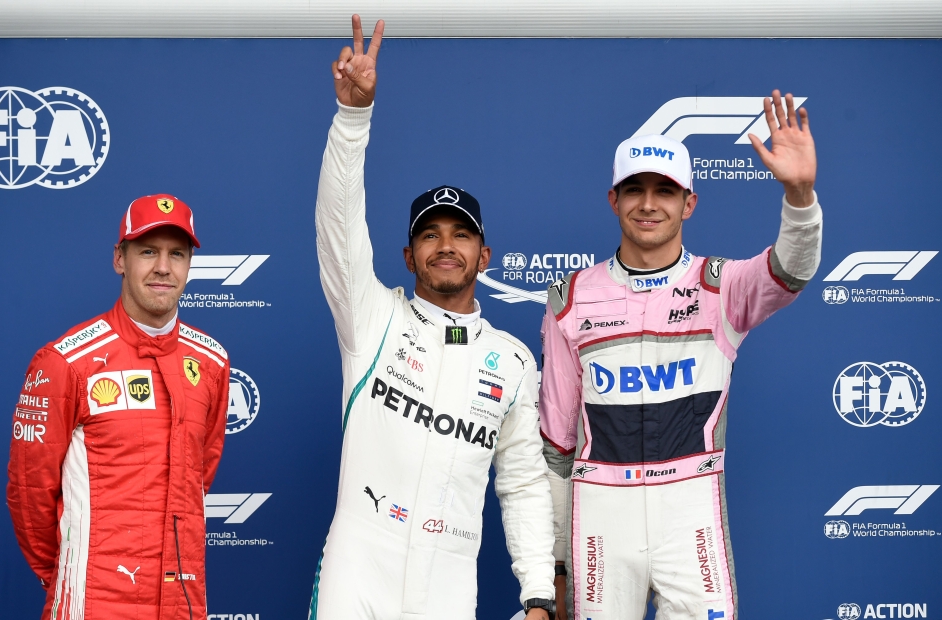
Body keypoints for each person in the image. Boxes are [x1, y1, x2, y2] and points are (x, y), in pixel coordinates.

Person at [309, 15, 556, 620]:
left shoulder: (513, 360)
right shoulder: (371, 318)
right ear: (408, 255)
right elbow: (338, 227)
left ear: (484, 254)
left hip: (448, 578)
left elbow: (523, 484)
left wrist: (540, 596)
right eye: (430, 235)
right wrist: (352, 121)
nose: (446, 246)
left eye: (461, 234)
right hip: (358, 565)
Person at [539, 92, 821, 620]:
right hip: (601, 519)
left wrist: (800, 197)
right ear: (613, 200)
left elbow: (791, 271)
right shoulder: (569, 298)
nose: (649, 204)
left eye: (665, 191)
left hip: (690, 515)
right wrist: (553, 567)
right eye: (635, 190)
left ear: (688, 203)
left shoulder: (721, 287)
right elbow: (556, 446)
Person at [7, 194, 230, 620]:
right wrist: (71, 577)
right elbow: (29, 494)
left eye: (176, 254)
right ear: (119, 259)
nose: (163, 267)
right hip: (93, 602)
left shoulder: (212, 362)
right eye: (148, 251)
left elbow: (200, 474)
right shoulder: (66, 362)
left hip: (182, 602)